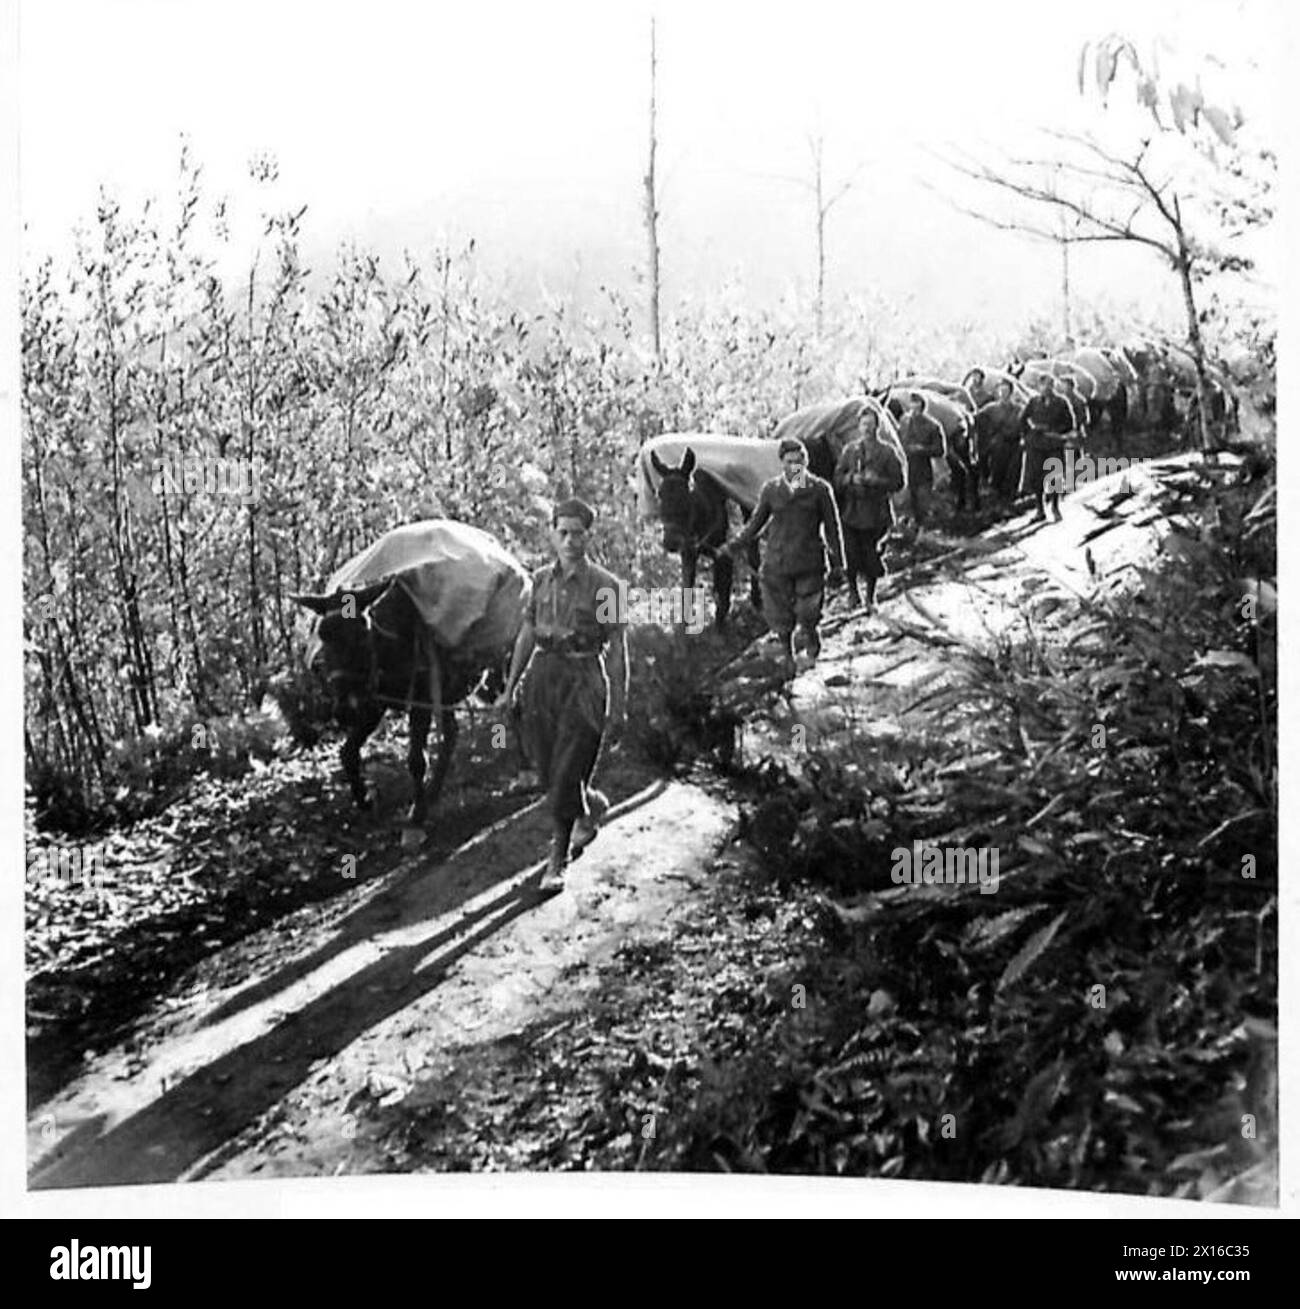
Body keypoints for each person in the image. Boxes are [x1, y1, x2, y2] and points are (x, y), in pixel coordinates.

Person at [497, 497, 629, 892]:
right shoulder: (539, 580)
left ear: (589, 536)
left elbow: (619, 646)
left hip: (585, 677)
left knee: (570, 763)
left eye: (578, 533)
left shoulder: (607, 586)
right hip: (543, 677)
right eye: (563, 532)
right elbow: (526, 634)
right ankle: (590, 804)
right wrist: (508, 688)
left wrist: (619, 702)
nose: (571, 540)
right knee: (546, 766)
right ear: (552, 534)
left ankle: (558, 859)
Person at [723, 436, 846, 674]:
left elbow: (833, 528)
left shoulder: (820, 490)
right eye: (789, 462)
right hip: (777, 563)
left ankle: (811, 640)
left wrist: (839, 562)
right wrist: (734, 545)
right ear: (782, 463)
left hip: (809, 560)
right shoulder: (771, 490)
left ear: (806, 462)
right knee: (781, 618)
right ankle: (788, 656)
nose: (794, 466)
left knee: (808, 613)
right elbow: (755, 524)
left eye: (799, 461)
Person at [833, 406, 906, 611]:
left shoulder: (887, 452)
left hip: (876, 513)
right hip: (851, 512)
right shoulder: (850, 451)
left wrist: (878, 480)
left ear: (877, 427)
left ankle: (870, 596)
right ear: (859, 426)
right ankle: (853, 592)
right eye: (864, 424)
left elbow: (899, 482)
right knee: (850, 554)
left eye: (871, 425)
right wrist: (850, 479)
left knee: (871, 556)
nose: (867, 429)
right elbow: (837, 478)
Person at [1019, 373, 1074, 522]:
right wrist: (1029, 434)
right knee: (1036, 478)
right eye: (1043, 385)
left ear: (1053, 387)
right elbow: (1023, 419)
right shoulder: (1034, 402)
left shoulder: (1062, 402)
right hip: (1036, 445)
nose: (1046, 388)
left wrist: (1054, 430)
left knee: (1055, 476)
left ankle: (1055, 507)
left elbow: (1069, 423)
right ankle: (1039, 509)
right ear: (1039, 387)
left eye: (1049, 385)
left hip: (1054, 444)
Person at [897, 391, 946, 529]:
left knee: (923, 503)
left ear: (923, 406)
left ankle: (925, 532)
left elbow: (941, 450)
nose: (914, 406)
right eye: (912, 403)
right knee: (909, 504)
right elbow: (899, 441)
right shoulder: (904, 421)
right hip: (907, 469)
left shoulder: (933, 425)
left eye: (917, 403)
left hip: (924, 470)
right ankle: (913, 531)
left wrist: (922, 449)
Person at [974, 379, 1024, 506]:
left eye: (1006, 390)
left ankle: (1011, 502)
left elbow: (1025, 425)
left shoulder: (1019, 409)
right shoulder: (991, 409)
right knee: (997, 472)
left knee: (1013, 474)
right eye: (1001, 390)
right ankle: (997, 502)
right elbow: (977, 419)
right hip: (999, 446)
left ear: (1011, 392)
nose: (1003, 393)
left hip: (1015, 446)